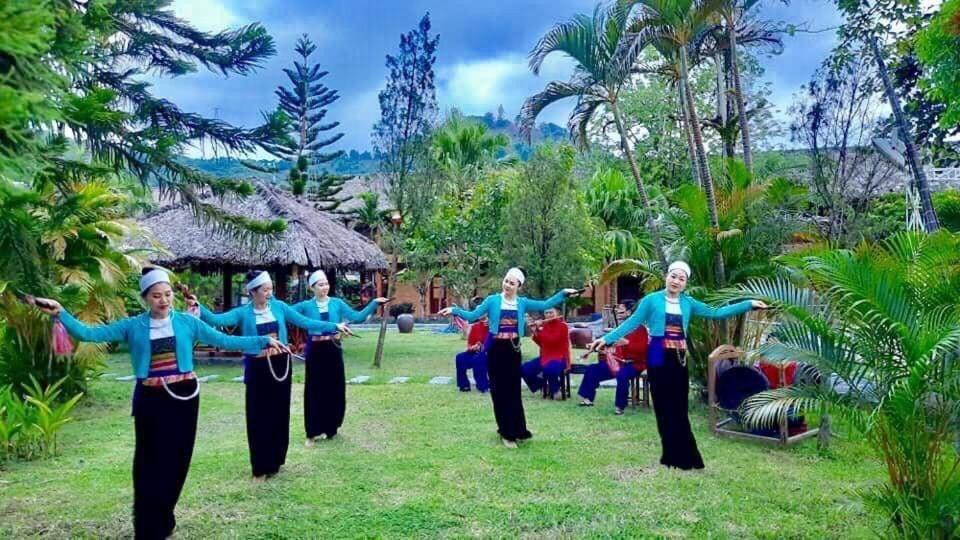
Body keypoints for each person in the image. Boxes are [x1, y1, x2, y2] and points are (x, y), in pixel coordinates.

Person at [31, 268, 287, 539]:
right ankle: (148, 525)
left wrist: (262, 340)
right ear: (145, 298)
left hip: (185, 397)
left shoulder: (188, 323)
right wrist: (61, 313)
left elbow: (224, 339)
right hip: (151, 399)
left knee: (178, 461)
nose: (163, 300)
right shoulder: (132, 326)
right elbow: (88, 334)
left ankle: (165, 517)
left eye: (167, 294)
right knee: (149, 462)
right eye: (156, 296)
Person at [588, 261, 768, 469]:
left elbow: (716, 312)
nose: (676, 281)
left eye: (681, 279)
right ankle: (669, 455)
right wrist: (607, 339)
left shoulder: (688, 303)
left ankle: (687, 455)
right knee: (663, 405)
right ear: (667, 277)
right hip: (656, 352)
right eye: (673, 276)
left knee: (679, 406)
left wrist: (748, 304)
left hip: (679, 356)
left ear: (685, 283)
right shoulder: (651, 300)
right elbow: (632, 323)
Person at [188, 270, 344, 481]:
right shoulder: (243, 312)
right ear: (252, 292)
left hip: (281, 365)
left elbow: (305, 322)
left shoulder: (279, 307)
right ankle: (260, 466)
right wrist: (199, 307)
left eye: (270, 288)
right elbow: (217, 319)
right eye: (265, 290)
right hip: (258, 366)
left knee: (280, 413)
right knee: (258, 415)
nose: (269, 293)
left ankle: (277, 459)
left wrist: (333, 326)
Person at [440, 268, 579, 448]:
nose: (507, 285)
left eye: (512, 283)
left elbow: (545, 305)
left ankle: (519, 430)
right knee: (499, 391)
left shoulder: (522, 302)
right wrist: (454, 310)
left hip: (514, 350)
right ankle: (506, 432)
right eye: (506, 281)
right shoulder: (492, 301)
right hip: (496, 350)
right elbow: (473, 315)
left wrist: (563, 294)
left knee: (514, 392)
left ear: (519, 286)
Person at [292, 269, 389, 444]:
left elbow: (357, 317)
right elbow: (287, 313)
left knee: (334, 387)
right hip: (315, 348)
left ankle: (331, 428)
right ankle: (312, 432)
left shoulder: (336, 303)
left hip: (333, 347)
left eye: (326, 284)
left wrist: (374, 303)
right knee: (314, 389)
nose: (325, 288)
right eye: (320, 285)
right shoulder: (305, 306)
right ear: (312, 287)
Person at [577, 300, 649, 414]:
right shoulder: (618, 328)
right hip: (616, 362)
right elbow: (606, 341)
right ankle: (587, 398)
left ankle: (620, 406)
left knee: (622, 375)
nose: (617, 312)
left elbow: (643, 350)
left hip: (634, 364)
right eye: (617, 309)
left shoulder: (640, 329)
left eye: (621, 310)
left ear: (629, 312)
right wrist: (592, 347)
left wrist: (627, 343)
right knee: (592, 369)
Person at [520, 306, 570, 399]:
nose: (548, 315)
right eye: (546, 313)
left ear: (557, 313)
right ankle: (543, 386)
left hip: (560, 357)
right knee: (523, 369)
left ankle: (555, 390)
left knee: (550, 369)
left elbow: (552, 340)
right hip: (545, 357)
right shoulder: (544, 326)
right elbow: (542, 343)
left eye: (551, 312)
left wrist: (539, 329)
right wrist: (535, 331)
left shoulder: (563, 326)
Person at [454, 298, 490, 392]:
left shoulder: (493, 325)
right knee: (460, 357)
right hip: (475, 352)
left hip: (489, 353)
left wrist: (482, 347)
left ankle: (483, 386)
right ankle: (464, 385)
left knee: (478, 359)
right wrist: (472, 347)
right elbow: (469, 345)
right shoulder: (475, 327)